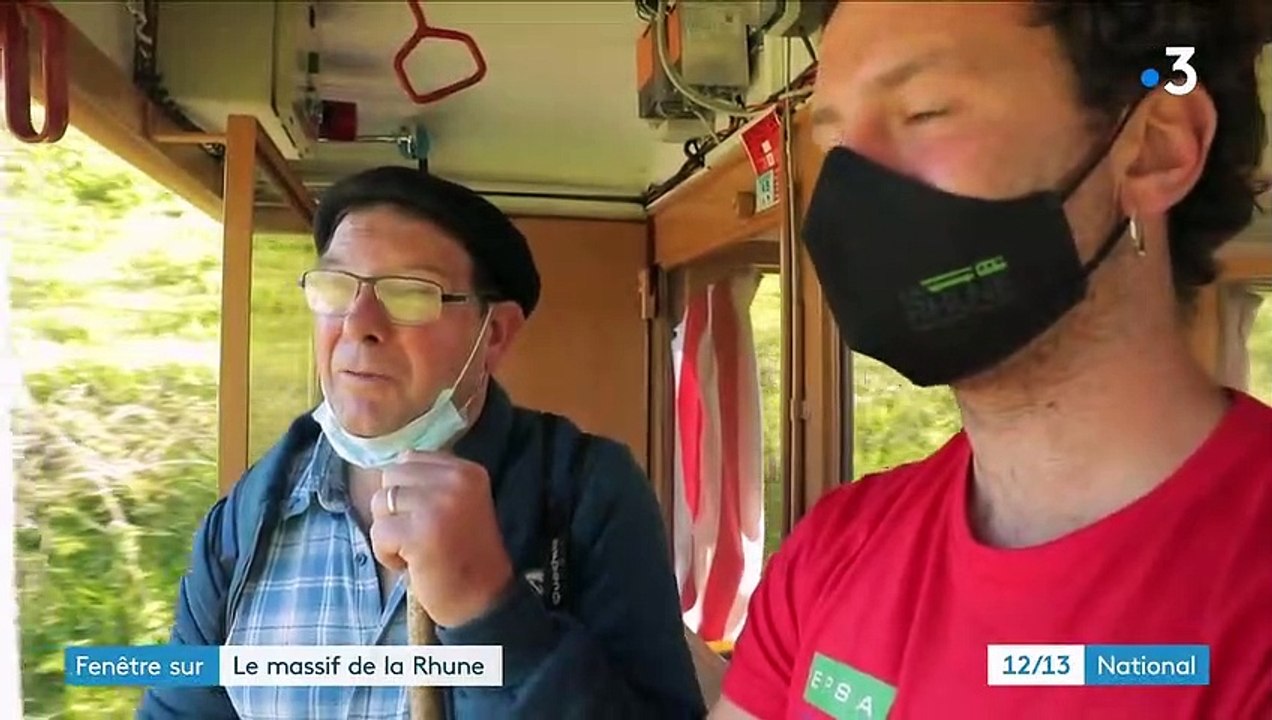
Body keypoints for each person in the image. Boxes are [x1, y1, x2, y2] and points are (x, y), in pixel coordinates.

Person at [713, 2, 1271, 719]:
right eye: (832, 147)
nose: (851, 197)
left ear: (1156, 147)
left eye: (925, 111)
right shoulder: (834, 552)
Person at [139, 166, 705, 719]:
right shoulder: (251, 514)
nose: (359, 323)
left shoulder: (584, 493)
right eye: (336, 287)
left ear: (495, 335)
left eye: (411, 294)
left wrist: (489, 610)